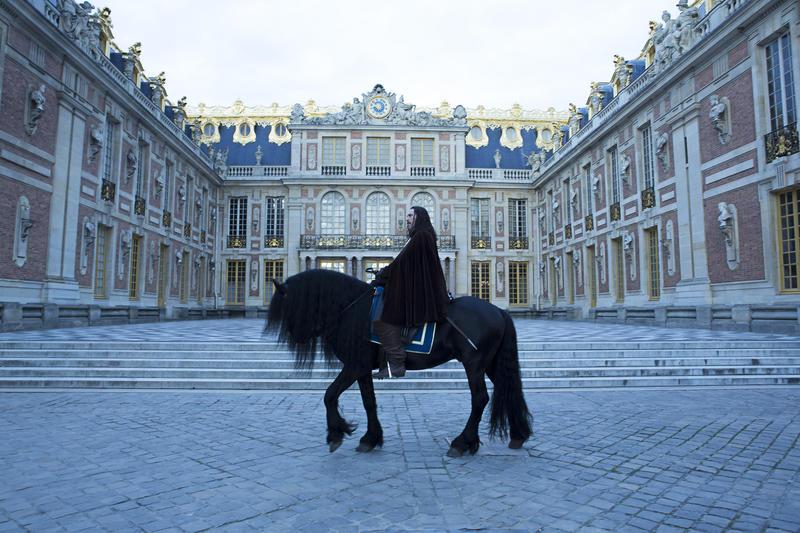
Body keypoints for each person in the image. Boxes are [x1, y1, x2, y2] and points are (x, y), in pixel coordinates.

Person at [372, 206, 449, 379]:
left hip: (417, 291)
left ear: (418, 217)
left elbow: (401, 264)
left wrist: (383, 275)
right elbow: (404, 264)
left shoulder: (421, 236)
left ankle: (397, 362)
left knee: (383, 319)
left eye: (410, 215)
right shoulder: (420, 236)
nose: (406, 219)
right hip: (416, 286)